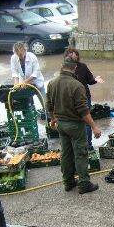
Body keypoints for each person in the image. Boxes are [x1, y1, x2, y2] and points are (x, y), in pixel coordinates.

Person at [46, 57, 102, 194]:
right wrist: (94, 127)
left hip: (61, 124)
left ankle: (68, 182)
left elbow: (48, 104)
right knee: (81, 154)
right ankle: (83, 184)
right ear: (75, 68)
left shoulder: (51, 83)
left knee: (66, 153)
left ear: (61, 66)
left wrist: (53, 119)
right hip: (75, 126)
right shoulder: (77, 85)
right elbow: (83, 111)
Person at [64, 48, 105, 150]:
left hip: (85, 97)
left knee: (87, 120)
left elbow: (90, 80)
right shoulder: (64, 69)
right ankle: (77, 145)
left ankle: (88, 145)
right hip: (71, 99)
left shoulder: (83, 66)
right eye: (72, 56)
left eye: (76, 55)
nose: (75, 57)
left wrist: (96, 79)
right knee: (75, 121)